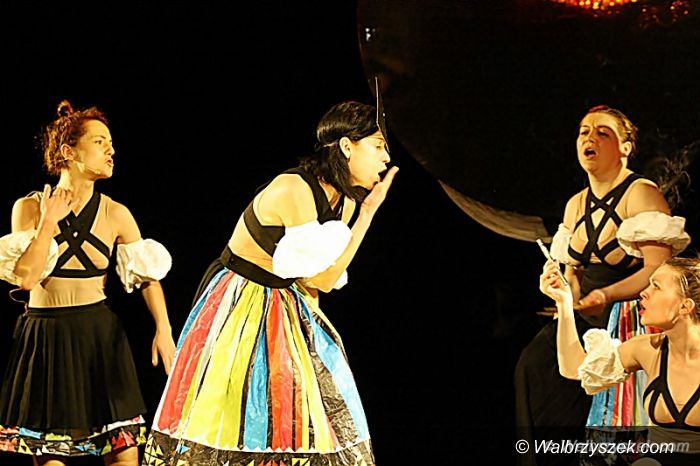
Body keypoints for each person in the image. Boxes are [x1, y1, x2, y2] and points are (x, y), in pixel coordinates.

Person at [142, 100, 397, 466]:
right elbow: (322, 276)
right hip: (239, 302)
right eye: (378, 146)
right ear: (346, 146)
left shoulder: (345, 203)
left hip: (286, 302)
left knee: (304, 412)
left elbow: (315, 285)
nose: (385, 158)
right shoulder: (295, 188)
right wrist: (369, 213)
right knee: (232, 417)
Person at [0, 100, 176, 466]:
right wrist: (48, 223)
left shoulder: (116, 213)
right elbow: (27, 277)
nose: (111, 150)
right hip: (46, 338)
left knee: (124, 454)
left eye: (111, 143)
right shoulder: (29, 207)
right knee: (50, 454)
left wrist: (163, 329)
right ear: (69, 152)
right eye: (99, 142)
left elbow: (147, 278)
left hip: (98, 337)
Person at [514, 105, 691, 465]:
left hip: (632, 312)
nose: (589, 138)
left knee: (616, 411)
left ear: (625, 147)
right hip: (588, 314)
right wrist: (564, 294)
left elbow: (658, 270)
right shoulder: (575, 205)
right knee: (534, 367)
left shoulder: (640, 193)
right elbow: (573, 273)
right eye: (584, 131)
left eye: (602, 132)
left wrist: (607, 295)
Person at [540, 255, 700, 465]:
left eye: (656, 286)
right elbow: (574, 368)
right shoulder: (648, 349)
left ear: (685, 306)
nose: (644, 292)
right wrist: (564, 303)